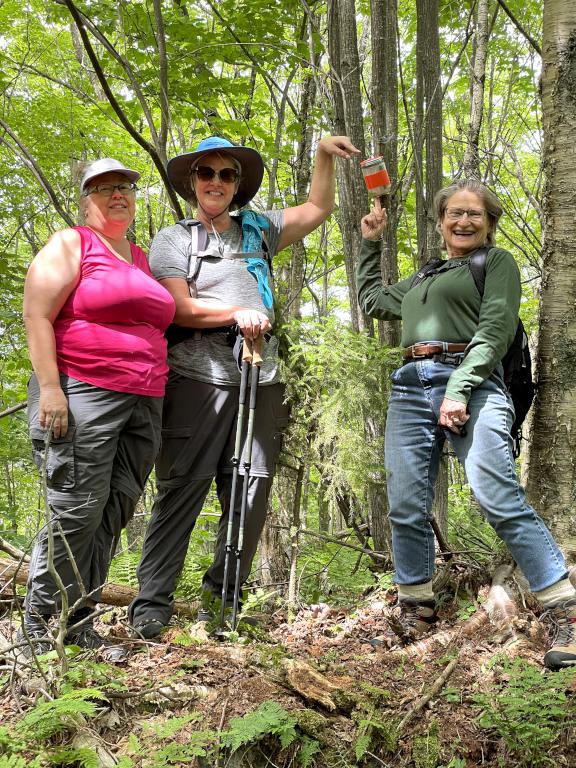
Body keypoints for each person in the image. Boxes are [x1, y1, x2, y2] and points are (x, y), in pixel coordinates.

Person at [128, 134, 359, 637]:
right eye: (206, 173)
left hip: (263, 376)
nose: (215, 182)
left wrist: (320, 153)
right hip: (197, 378)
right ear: (192, 182)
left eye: (226, 175)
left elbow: (319, 206)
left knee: (249, 496)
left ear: (237, 185)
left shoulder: (260, 230)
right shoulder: (175, 239)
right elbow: (179, 308)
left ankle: (222, 608)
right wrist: (239, 311)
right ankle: (151, 606)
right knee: (181, 488)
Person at [357, 180, 576, 670]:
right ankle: (415, 607)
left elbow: (496, 326)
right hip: (411, 385)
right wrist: (371, 242)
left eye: (475, 214)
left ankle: (566, 608)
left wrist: (460, 387)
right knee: (405, 503)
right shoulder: (424, 278)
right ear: (440, 221)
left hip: (473, 383)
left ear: (489, 223)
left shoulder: (494, 265)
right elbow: (373, 301)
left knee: (496, 492)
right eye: (454, 213)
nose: (463, 222)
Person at [18, 158, 175, 658]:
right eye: (104, 189)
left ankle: (79, 620)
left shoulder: (142, 259)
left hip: (145, 399)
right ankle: (40, 628)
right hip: (83, 392)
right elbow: (37, 313)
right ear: (86, 200)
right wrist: (49, 389)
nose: (118, 195)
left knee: (113, 511)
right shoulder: (73, 244)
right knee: (76, 510)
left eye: (126, 187)